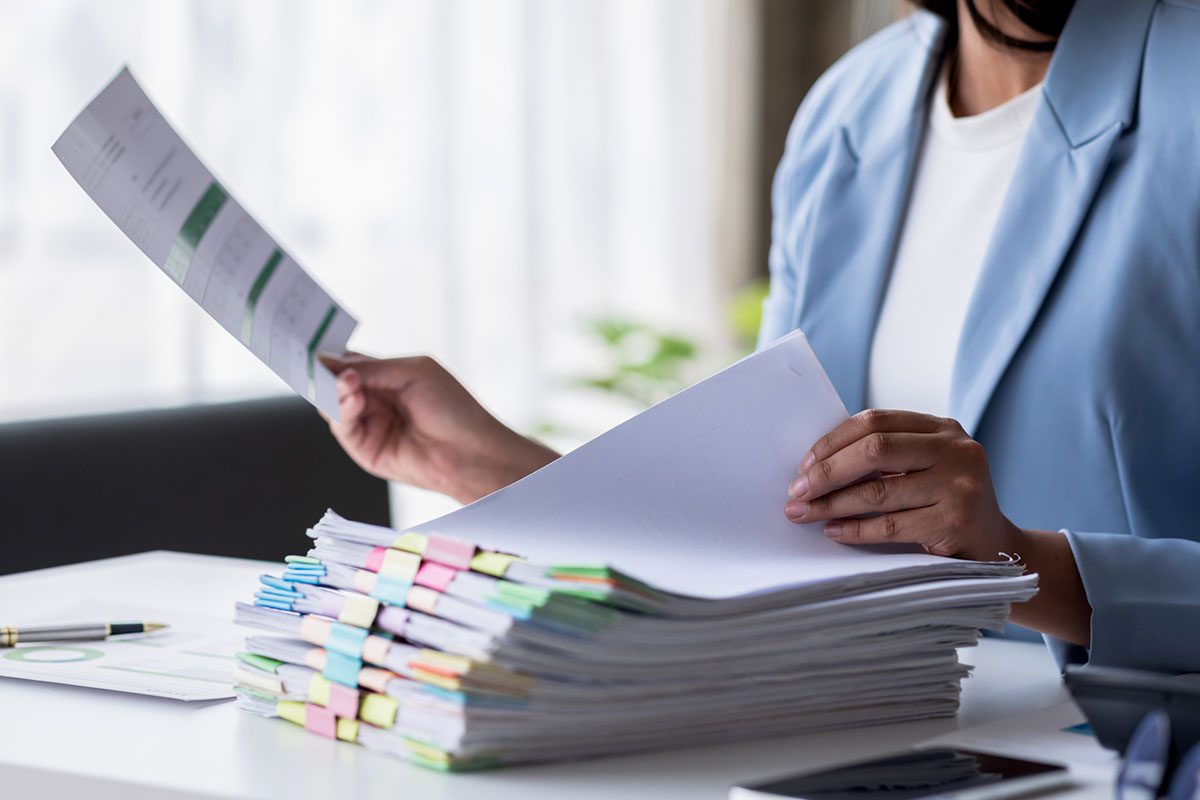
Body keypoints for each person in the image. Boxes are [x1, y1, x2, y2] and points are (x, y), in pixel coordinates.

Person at [322, 0, 1200, 674]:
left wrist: (1024, 563)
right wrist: (488, 468)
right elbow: (780, 521)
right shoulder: (850, 108)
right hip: (861, 731)